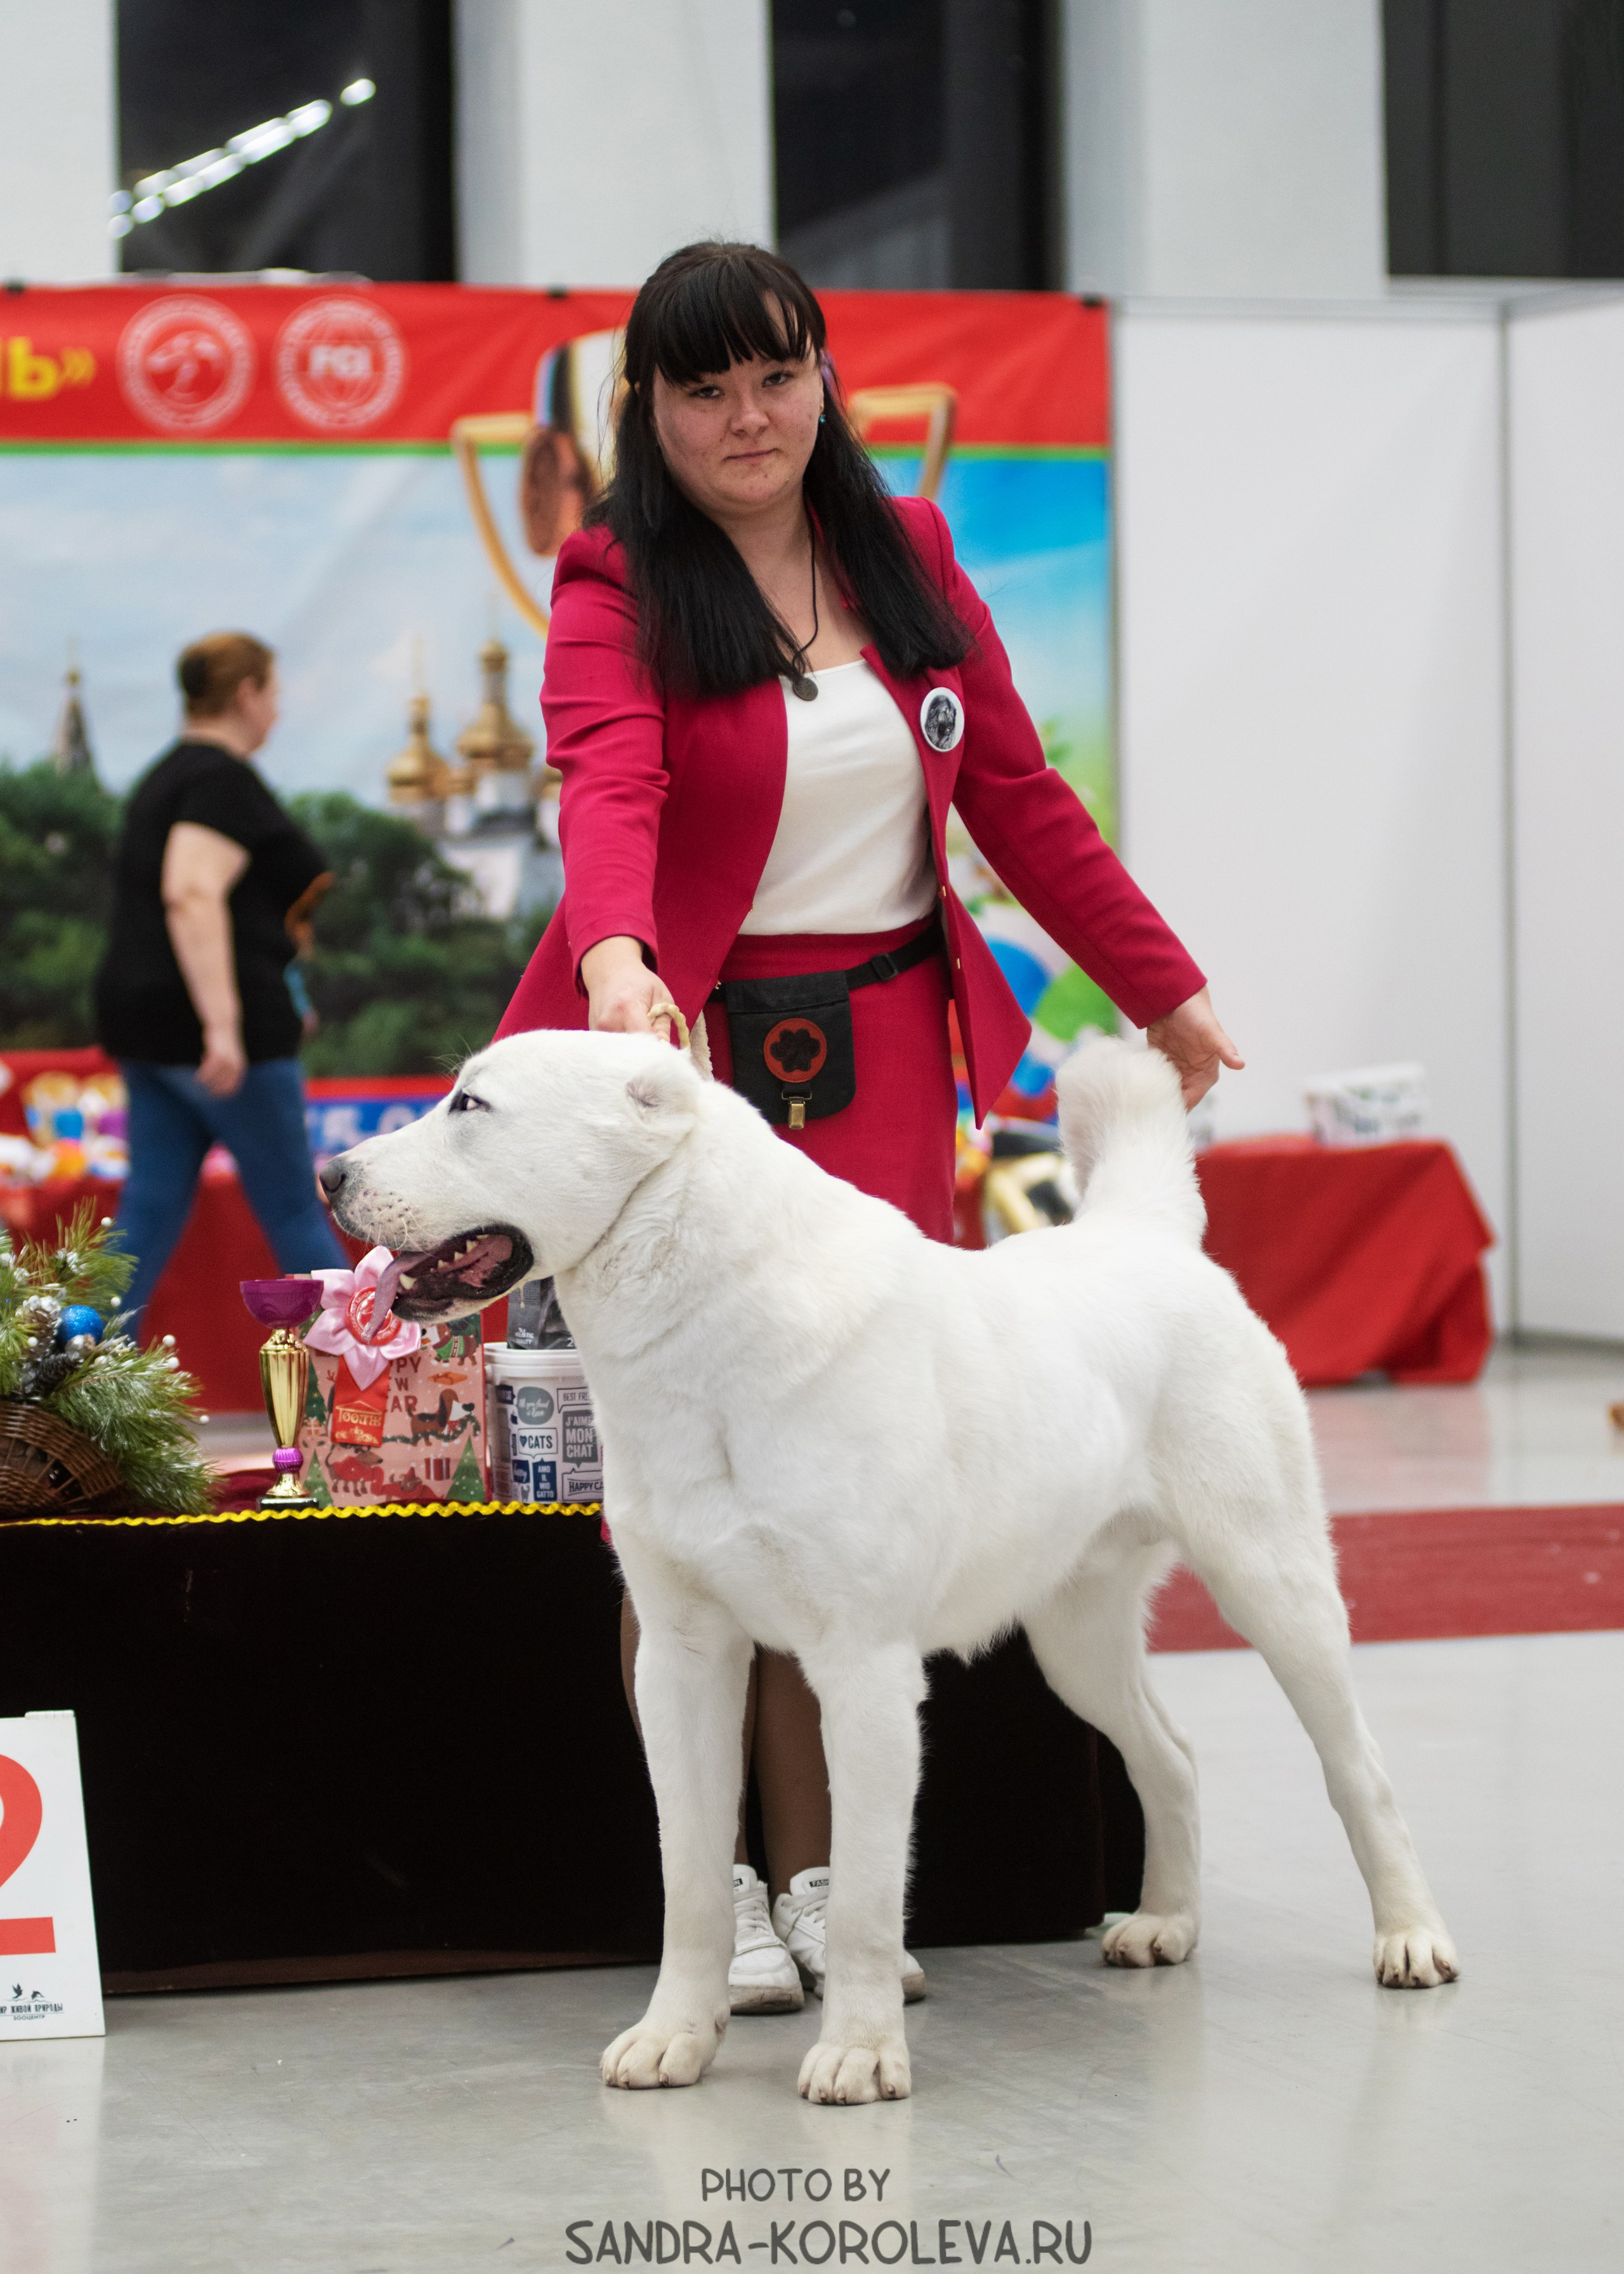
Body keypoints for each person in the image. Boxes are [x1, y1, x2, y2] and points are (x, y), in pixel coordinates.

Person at [495, 242, 1243, 2014]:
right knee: (682, 1496)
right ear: (648, 412)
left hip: (890, 1050)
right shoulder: (613, 579)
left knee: (847, 1471)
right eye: (702, 390)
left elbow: (1020, 796)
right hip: (679, 1063)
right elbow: (612, 788)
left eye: (777, 375)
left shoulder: (904, 549)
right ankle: (720, 1906)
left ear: (826, 378)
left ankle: (834, 1879)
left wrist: (1162, 989)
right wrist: (615, 959)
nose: (746, 418)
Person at [95, 633, 345, 1334]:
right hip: (220, 1041)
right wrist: (225, 1027)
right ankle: (366, 1380)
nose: (278, 710)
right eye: (274, 693)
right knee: (294, 1212)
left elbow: (231, 911)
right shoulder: (221, 782)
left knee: (146, 1213)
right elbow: (192, 891)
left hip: (150, 1032)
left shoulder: (164, 780)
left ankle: (66, 1379)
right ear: (246, 694)